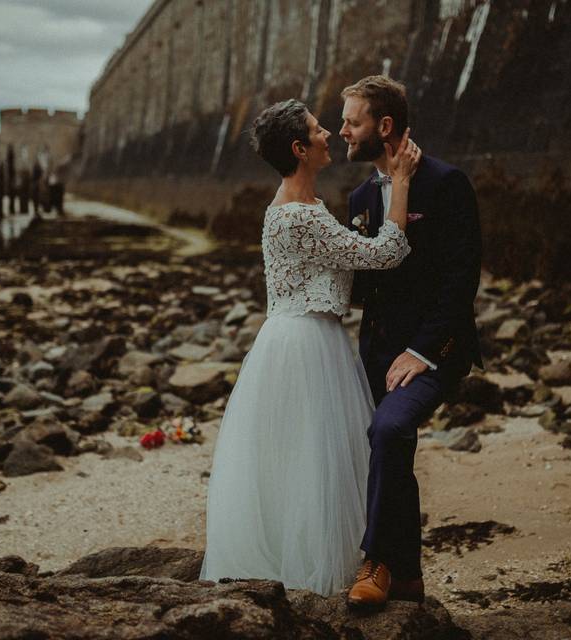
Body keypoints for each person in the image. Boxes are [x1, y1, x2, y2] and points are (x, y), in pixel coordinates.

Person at [200, 99, 421, 596]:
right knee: (313, 458)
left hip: (298, 337)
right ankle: (312, 579)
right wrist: (401, 182)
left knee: (304, 457)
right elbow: (383, 254)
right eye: (320, 131)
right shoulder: (301, 218)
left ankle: (308, 568)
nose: (331, 136)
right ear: (300, 149)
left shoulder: (298, 207)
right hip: (305, 343)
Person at [340, 76, 484, 608]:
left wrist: (423, 353)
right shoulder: (358, 196)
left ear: (383, 126)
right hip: (375, 354)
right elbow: (360, 284)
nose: (342, 132)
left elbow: (460, 279)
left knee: (392, 427)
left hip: (434, 350)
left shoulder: (447, 184)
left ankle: (376, 560)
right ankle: (409, 580)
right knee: (389, 448)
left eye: (352, 122)